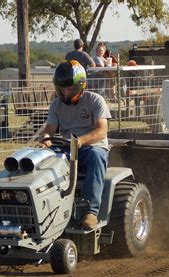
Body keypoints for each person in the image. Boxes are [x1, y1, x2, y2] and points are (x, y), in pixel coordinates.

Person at [38, 60, 110, 230]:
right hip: (66, 147)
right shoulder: (56, 105)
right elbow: (49, 129)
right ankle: (45, 209)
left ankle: (91, 212)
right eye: (62, 88)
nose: (65, 92)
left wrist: (81, 141)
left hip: (90, 147)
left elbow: (101, 131)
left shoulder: (95, 100)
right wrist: (46, 139)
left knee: (96, 156)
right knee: (42, 160)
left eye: (69, 88)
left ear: (80, 86)